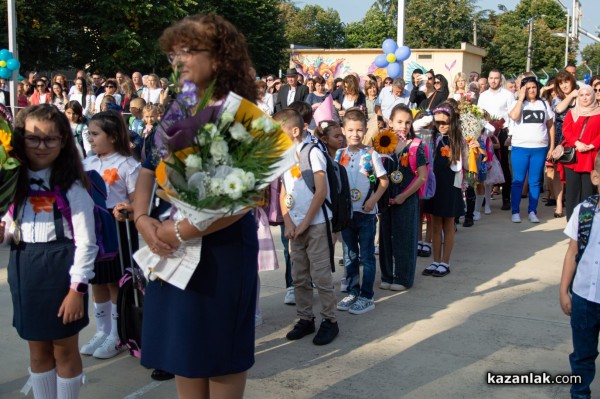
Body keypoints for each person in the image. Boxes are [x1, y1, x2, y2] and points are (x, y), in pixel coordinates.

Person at [133, 14, 259, 398]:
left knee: (220, 357)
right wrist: (141, 219)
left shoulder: (244, 117)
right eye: (173, 54)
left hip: (221, 253)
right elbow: (145, 168)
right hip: (171, 248)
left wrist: (173, 232)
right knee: (182, 353)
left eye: (188, 51)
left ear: (220, 57)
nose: (177, 61)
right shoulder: (178, 108)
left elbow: (239, 203)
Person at [1, 104, 98, 398]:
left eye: (50, 139)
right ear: (19, 139)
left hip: (61, 271)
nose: (41, 146)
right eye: (33, 138)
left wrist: (77, 290)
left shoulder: (73, 187)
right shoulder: (11, 182)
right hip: (24, 268)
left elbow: (86, 242)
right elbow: (9, 227)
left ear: (63, 141)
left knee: (64, 350)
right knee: (37, 348)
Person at [79, 111, 140, 359]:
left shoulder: (129, 165)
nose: (90, 140)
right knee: (97, 282)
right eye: (89, 134)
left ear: (113, 136)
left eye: (95, 134)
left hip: (118, 231)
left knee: (116, 282)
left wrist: (128, 208)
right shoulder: (86, 163)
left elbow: (139, 202)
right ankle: (102, 331)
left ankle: (118, 335)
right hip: (93, 230)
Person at [276, 108, 339, 345]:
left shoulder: (312, 153)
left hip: (316, 224)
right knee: (299, 275)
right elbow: (283, 191)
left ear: (294, 130)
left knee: (321, 275)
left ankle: (330, 320)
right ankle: (305, 318)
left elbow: (321, 191)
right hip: (296, 227)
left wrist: (303, 224)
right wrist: (289, 222)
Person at [335, 109, 389, 314]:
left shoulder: (371, 154)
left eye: (359, 130)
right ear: (343, 130)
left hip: (365, 214)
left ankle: (367, 295)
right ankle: (352, 290)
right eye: (350, 130)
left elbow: (383, 181)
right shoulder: (340, 155)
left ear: (365, 130)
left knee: (366, 256)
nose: (355, 134)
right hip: (347, 216)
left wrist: (373, 200)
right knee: (349, 256)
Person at [560, 153, 600, 399]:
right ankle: (580, 394)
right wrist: (564, 289)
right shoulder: (584, 211)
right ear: (595, 177)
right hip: (584, 297)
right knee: (582, 356)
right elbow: (572, 251)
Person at [378, 104, 427, 291]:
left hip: (407, 198)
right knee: (385, 238)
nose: (403, 126)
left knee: (405, 237)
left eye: (407, 122)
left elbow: (422, 176)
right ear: (390, 122)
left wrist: (403, 196)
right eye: (399, 122)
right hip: (386, 198)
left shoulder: (416, 145)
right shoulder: (382, 142)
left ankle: (403, 277)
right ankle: (387, 275)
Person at [422, 104, 466, 277]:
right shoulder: (430, 137)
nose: (441, 125)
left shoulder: (458, 139)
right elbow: (418, 126)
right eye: (438, 121)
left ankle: (445, 262)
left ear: (452, 121)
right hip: (434, 184)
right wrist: (433, 116)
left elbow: (465, 163)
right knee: (434, 223)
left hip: (451, 183)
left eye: (445, 121)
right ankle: (435, 260)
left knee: (448, 222)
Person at [508, 76, 555, 223]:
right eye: (528, 88)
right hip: (520, 147)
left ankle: (532, 211)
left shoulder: (544, 104)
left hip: (539, 148)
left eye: (534, 87)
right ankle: (515, 211)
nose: (532, 90)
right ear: (523, 89)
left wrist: (552, 146)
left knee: (535, 181)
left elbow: (550, 125)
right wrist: (521, 99)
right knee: (518, 180)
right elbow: (514, 117)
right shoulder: (517, 103)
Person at [478, 69, 518, 211]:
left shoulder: (508, 95)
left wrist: (510, 135)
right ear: (487, 79)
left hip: (501, 133)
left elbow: (513, 116)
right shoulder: (483, 96)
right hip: (485, 133)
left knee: (504, 166)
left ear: (500, 80)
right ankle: (483, 197)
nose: (493, 81)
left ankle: (506, 198)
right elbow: (479, 114)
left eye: (496, 78)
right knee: (483, 164)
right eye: (491, 78)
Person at [561, 84, 600, 220]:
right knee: (572, 190)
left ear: (593, 95)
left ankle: (586, 220)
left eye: (587, 94)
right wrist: (577, 143)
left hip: (591, 156)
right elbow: (566, 130)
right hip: (574, 156)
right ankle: (572, 221)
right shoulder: (573, 112)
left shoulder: (599, 112)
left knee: (588, 191)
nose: (584, 98)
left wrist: (591, 145)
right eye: (581, 95)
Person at [551, 70, 578, 218]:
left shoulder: (580, 96)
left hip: (574, 138)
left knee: (572, 172)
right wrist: (570, 96)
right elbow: (559, 109)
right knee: (557, 172)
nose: (564, 86)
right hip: (559, 138)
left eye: (566, 82)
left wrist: (575, 95)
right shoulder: (557, 99)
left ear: (572, 81)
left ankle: (573, 203)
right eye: (560, 83)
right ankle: (559, 204)